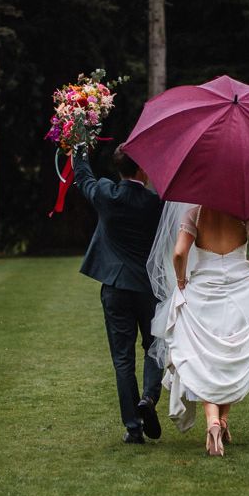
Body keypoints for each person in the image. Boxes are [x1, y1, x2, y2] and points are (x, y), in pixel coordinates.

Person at [148, 203, 249, 456]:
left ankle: (213, 423)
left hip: (205, 290)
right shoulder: (244, 212)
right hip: (241, 290)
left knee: (206, 359)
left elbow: (180, 253)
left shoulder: (194, 214)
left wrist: (181, 280)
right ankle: (222, 422)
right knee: (229, 357)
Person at [73, 146, 164, 444]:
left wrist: (79, 150)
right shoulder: (156, 204)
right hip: (148, 288)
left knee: (122, 358)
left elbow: (83, 178)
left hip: (114, 287)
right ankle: (149, 398)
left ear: (120, 170)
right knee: (155, 347)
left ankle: (133, 428)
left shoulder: (106, 194)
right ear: (141, 170)